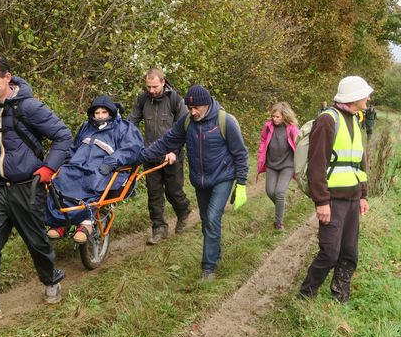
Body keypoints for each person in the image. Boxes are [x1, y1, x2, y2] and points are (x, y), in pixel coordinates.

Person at [0, 54, 72, 326]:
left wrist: (48, 169)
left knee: (36, 241)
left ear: (7, 78)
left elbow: (63, 136)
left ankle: (51, 279)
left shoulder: (29, 107)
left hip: (28, 188)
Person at [139, 85, 249, 281]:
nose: (193, 112)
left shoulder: (226, 121)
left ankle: (208, 268)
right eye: (190, 108)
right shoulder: (187, 122)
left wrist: (241, 184)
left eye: (196, 107)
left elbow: (240, 154)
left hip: (223, 176)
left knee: (213, 218)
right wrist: (140, 156)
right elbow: (167, 142)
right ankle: (215, 254)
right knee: (207, 221)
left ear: (206, 104)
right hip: (200, 179)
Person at [297, 76, 372, 303]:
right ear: (353, 97)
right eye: (365, 94)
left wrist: (363, 195)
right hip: (332, 200)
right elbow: (317, 164)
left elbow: (359, 161)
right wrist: (321, 201)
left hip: (352, 199)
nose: (368, 98)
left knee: (349, 253)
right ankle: (306, 295)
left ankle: (340, 297)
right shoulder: (328, 121)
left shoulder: (355, 120)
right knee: (330, 253)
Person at [46, 96, 144, 242]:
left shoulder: (123, 127)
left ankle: (86, 223)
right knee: (60, 180)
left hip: (103, 167)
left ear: (110, 113)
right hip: (78, 165)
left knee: (93, 182)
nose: (100, 116)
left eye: (103, 112)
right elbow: (74, 147)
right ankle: (61, 222)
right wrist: (66, 161)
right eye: (97, 113)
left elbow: (131, 148)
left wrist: (111, 162)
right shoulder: (86, 127)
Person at [128, 68, 191, 244]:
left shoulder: (175, 100)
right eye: (148, 86)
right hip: (150, 154)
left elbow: (184, 128)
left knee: (173, 192)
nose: (151, 90)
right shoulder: (142, 99)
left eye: (155, 86)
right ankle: (159, 229)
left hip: (172, 155)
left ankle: (183, 210)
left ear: (163, 82)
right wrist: (132, 145)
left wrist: (174, 151)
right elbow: (131, 123)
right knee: (154, 194)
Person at [256, 102, 299, 230]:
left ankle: (278, 223)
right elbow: (263, 140)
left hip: (287, 165)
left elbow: (299, 146)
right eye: (273, 116)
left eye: (278, 117)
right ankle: (282, 205)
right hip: (272, 164)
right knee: (270, 191)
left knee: (280, 192)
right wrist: (261, 154)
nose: (275, 119)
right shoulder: (268, 126)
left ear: (284, 116)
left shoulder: (292, 129)